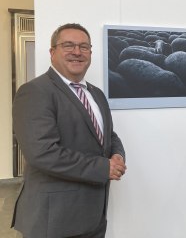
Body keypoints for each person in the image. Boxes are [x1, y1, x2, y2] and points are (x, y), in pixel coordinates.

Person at [12, 23, 127, 238]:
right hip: (54, 221)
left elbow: (109, 136)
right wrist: (103, 167)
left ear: (90, 53)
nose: (77, 52)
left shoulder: (96, 94)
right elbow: (42, 152)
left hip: (93, 216)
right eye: (68, 45)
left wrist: (117, 155)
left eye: (84, 47)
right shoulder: (35, 92)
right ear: (52, 52)